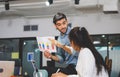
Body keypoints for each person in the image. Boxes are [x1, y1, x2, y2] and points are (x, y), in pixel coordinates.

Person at [43, 12, 78, 77]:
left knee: (48, 71)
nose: (62, 26)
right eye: (59, 25)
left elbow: (76, 52)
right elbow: (61, 59)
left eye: (64, 23)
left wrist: (61, 45)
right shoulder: (59, 39)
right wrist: (51, 56)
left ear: (67, 22)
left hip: (79, 66)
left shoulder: (75, 33)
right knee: (45, 70)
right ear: (55, 26)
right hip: (70, 67)